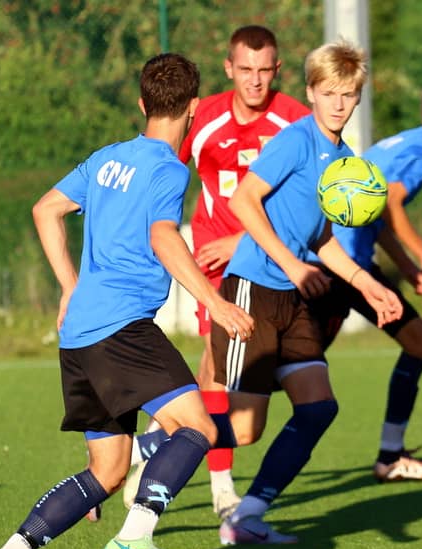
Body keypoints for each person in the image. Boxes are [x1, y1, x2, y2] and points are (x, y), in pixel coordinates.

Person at [0, 53, 255, 549]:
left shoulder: (106, 159)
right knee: (198, 427)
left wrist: (69, 287)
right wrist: (215, 303)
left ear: (142, 103)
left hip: (79, 335)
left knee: (107, 471)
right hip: (121, 329)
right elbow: (163, 236)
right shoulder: (169, 169)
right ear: (194, 108)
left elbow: (45, 210)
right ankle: (136, 534)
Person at [211, 39, 401, 544]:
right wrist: (293, 265)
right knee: (245, 430)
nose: (339, 103)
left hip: (292, 297)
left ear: (358, 96)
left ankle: (247, 517)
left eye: (348, 94)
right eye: (329, 92)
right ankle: (157, 444)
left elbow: (321, 237)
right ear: (311, 92)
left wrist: (366, 283)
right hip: (253, 287)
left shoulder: (344, 159)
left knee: (319, 408)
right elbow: (244, 201)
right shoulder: (295, 141)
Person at [121, 25, 310, 522]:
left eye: (265, 70)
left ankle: (153, 444)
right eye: (245, 69)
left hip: (272, 266)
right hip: (216, 266)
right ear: (229, 69)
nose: (255, 80)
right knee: (216, 373)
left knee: (242, 403)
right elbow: (163, 166)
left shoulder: (296, 122)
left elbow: (302, 205)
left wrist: (243, 240)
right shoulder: (202, 117)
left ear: (278, 69)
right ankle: (222, 489)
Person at [309, 78, 422, 482]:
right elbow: (389, 203)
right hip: (342, 265)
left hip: (345, 259)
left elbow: (376, 213)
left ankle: (391, 455)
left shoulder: (404, 143)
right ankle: (180, 426)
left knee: (418, 342)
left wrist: (408, 269)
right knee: (288, 372)